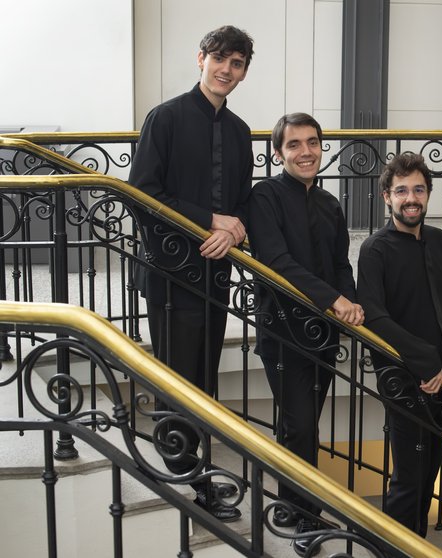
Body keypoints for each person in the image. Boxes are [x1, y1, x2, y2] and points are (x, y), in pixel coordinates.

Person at [129, 25, 255, 522]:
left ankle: (191, 469)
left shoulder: (242, 131)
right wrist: (210, 221)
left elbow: (242, 202)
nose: (226, 69)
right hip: (171, 274)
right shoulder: (166, 117)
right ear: (200, 58)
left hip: (216, 273)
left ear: (244, 72)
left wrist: (234, 231)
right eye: (219, 58)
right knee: (177, 377)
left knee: (203, 378)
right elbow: (142, 194)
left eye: (237, 63)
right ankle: (186, 476)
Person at [246, 112, 364, 557]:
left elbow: (340, 265)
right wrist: (332, 300)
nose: (305, 152)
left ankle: (286, 504)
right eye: (293, 145)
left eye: (312, 142)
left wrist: (349, 303)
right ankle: (307, 520)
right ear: (278, 153)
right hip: (282, 331)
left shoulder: (331, 203)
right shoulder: (265, 196)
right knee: (300, 428)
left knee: (300, 425)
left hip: (324, 335)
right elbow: (276, 260)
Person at [356, 152, 442, 537]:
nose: (412, 198)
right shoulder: (375, 250)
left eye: (419, 189)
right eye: (402, 190)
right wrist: (424, 361)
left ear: (428, 194)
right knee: (408, 481)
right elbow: (374, 317)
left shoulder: (440, 242)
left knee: (430, 476)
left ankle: (416, 545)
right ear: (386, 197)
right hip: (407, 382)